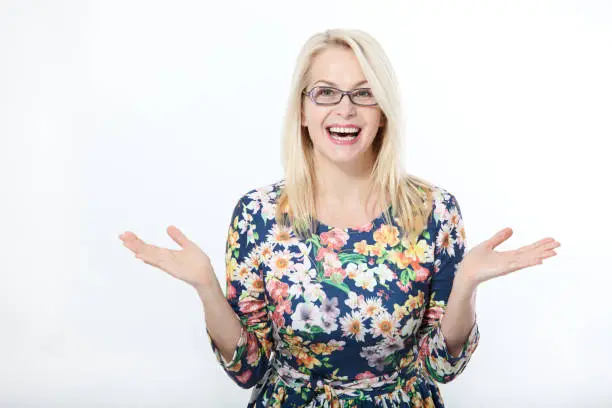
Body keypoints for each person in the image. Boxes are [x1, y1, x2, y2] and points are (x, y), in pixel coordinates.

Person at [119, 28, 560, 407]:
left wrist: (466, 285)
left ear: (383, 112)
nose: (345, 109)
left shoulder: (434, 211)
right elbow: (249, 371)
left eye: (364, 93)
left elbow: (440, 367)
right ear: (304, 111)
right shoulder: (258, 214)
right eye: (326, 92)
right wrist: (206, 286)